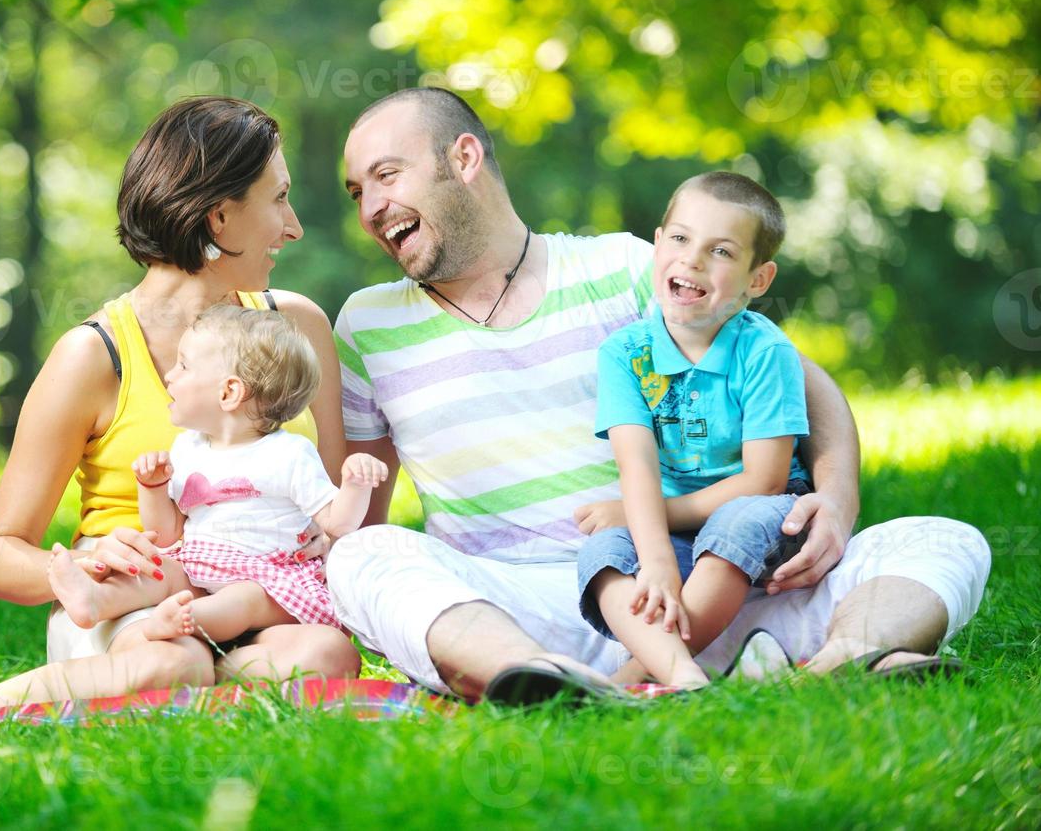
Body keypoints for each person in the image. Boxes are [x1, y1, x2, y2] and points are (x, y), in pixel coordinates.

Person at [327, 87, 991, 701]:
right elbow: (362, 513)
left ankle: (841, 661)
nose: (370, 209)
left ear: (463, 157)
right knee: (361, 558)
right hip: (512, 608)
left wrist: (838, 505)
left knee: (944, 539)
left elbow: (804, 384)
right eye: (356, 192)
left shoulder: (622, 272)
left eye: (387, 176)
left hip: (696, 585)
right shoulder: (367, 324)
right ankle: (544, 681)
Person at [0, 97, 360, 728]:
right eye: (278, 200)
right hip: (133, 604)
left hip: (257, 596)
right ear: (219, 218)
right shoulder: (93, 356)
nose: (295, 226)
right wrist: (89, 565)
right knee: (176, 664)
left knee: (326, 656)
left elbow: (346, 506)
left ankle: (166, 694)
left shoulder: (295, 326)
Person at [578, 170, 815, 689]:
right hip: (674, 523)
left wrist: (655, 519)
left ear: (758, 279)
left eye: (722, 252)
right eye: (681, 239)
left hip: (764, 511)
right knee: (604, 556)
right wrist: (657, 558)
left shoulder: (765, 351)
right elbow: (635, 464)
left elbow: (765, 481)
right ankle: (683, 674)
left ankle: (637, 674)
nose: (692, 259)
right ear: (658, 246)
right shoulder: (625, 353)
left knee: (736, 526)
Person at [47, 304, 387, 645]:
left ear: (228, 392)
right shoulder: (188, 449)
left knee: (242, 600)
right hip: (202, 565)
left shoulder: (288, 454)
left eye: (183, 366)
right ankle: (94, 600)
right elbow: (166, 534)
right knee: (159, 569)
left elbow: (337, 523)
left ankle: (186, 621)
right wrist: (153, 487)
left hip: (270, 580)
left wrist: (356, 486)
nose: (170, 376)